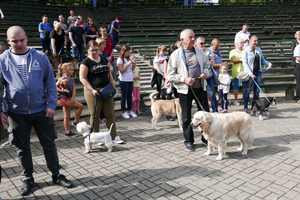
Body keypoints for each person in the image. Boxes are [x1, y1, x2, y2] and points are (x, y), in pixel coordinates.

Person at [0, 26, 74, 196]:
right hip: (16, 112)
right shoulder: (2, 60)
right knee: (22, 147)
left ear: (26, 38)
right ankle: (28, 179)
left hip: (42, 110)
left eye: (21, 40)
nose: (19, 44)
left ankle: (56, 175)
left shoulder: (40, 57)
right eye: (14, 41)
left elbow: (50, 82)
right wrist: (1, 110)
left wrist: (50, 105)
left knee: (49, 144)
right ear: (8, 41)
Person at [167, 29, 210, 152]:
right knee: (186, 117)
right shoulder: (175, 55)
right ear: (182, 40)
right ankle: (189, 141)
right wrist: (184, 79)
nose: (192, 39)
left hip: (200, 87)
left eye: (193, 37)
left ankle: (205, 138)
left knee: (205, 115)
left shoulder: (200, 52)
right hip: (184, 90)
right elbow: (170, 75)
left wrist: (204, 74)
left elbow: (207, 66)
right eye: (190, 37)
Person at [79, 40, 124, 144]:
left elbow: (109, 75)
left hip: (106, 89)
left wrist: (114, 88)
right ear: (88, 50)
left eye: (96, 50)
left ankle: (113, 136)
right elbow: (83, 78)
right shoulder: (86, 62)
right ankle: (96, 137)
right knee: (95, 115)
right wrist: (92, 90)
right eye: (92, 50)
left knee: (110, 114)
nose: (94, 52)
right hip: (93, 91)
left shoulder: (104, 59)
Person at [242, 35, 272, 112]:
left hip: (258, 73)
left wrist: (268, 63)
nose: (256, 42)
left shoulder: (258, 50)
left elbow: (262, 60)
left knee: (257, 91)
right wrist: (250, 74)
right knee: (247, 90)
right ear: (250, 41)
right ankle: (245, 107)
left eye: (257, 41)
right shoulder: (245, 51)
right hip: (249, 74)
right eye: (254, 41)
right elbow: (245, 64)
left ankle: (255, 107)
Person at [56, 62, 83, 137]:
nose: (73, 71)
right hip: (63, 99)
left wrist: (73, 98)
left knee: (66, 116)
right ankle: (76, 121)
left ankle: (68, 132)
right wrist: (62, 91)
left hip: (69, 99)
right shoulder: (62, 79)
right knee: (80, 106)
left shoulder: (71, 80)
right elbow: (55, 87)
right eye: (71, 70)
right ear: (65, 71)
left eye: (73, 70)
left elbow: (74, 90)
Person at [195, 36, 218, 113]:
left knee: (212, 94)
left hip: (209, 75)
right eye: (201, 43)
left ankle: (215, 111)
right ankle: (205, 111)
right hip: (201, 76)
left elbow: (212, 63)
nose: (203, 45)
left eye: (204, 43)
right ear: (196, 44)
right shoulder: (195, 52)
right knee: (203, 95)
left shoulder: (209, 51)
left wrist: (207, 57)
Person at [117, 45, 137, 119]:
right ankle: (124, 112)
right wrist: (128, 64)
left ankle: (130, 110)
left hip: (130, 79)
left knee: (129, 96)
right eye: (127, 52)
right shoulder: (120, 60)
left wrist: (133, 66)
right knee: (124, 96)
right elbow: (121, 71)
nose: (128, 54)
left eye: (129, 52)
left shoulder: (127, 59)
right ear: (123, 52)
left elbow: (130, 70)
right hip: (123, 80)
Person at [163, 44, 179, 121]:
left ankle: (176, 113)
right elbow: (165, 72)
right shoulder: (166, 60)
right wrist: (168, 80)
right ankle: (168, 115)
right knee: (168, 100)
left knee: (177, 98)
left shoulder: (178, 60)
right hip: (169, 81)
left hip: (176, 81)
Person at [230, 38, 245, 106]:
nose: (242, 44)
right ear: (236, 43)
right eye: (241, 42)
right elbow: (233, 60)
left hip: (245, 71)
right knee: (236, 86)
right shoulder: (233, 51)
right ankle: (236, 99)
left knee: (245, 86)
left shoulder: (245, 51)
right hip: (237, 72)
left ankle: (244, 98)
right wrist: (241, 59)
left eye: (243, 42)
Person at [293, 39, 300, 104]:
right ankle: (298, 98)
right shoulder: (298, 48)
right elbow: (297, 58)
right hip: (299, 66)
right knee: (299, 83)